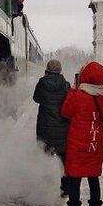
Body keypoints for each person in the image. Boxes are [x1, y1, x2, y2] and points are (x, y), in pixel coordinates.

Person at [60, 61, 103, 206]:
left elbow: (65, 112)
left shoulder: (78, 95)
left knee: (74, 179)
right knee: (93, 178)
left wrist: (73, 89)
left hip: (77, 145)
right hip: (95, 144)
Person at [33, 59, 70, 194]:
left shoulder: (41, 83)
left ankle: (46, 188)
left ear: (47, 71)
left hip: (45, 128)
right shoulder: (66, 85)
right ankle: (65, 188)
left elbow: (36, 99)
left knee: (45, 158)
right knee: (64, 160)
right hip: (62, 129)